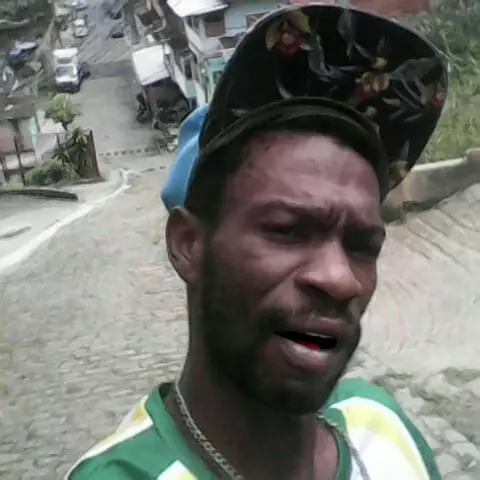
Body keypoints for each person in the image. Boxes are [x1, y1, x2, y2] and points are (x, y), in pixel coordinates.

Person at [67, 4, 447, 480]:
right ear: (188, 245)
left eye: (362, 245)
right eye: (287, 230)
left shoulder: (386, 429)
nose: (341, 280)